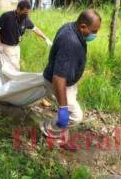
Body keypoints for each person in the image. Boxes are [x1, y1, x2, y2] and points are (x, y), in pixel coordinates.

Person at [40, 9, 101, 146]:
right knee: (75, 116)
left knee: (69, 108)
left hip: (66, 81)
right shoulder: (71, 42)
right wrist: (63, 108)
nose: (95, 34)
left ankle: (59, 131)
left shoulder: (70, 26)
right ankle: (48, 129)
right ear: (83, 26)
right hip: (58, 83)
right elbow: (59, 78)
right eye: (94, 31)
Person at [0, 0, 52, 71]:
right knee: (14, 68)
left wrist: (46, 39)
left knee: (12, 67)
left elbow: (35, 29)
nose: (26, 14)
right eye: (25, 12)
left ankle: (9, 80)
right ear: (18, 9)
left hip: (16, 47)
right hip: (6, 46)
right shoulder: (6, 16)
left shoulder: (25, 19)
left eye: (27, 12)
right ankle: (13, 81)